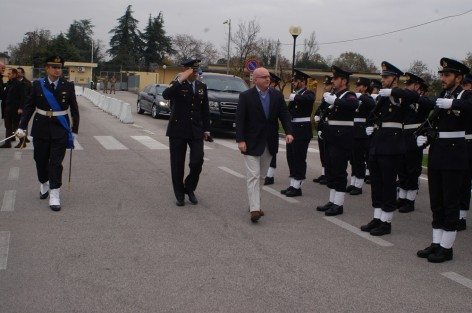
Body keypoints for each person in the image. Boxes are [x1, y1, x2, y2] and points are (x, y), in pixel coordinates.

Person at [416, 58, 471, 262]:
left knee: (450, 201)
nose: (443, 78)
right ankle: (436, 242)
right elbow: (436, 124)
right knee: (436, 200)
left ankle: (447, 248)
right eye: (442, 74)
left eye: (447, 75)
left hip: (455, 153)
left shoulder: (466, 95)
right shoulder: (443, 95)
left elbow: (469, 106)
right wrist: (425, 136)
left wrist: (454, 103)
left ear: (459, 77)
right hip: (438, 151)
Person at [15, 56, 80, 211]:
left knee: (56, 163)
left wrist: (75, 130)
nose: (58, 70)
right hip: (41, 128)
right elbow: (29, 107)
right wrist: (21, 127)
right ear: (47, 68)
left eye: (59, 67)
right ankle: (44, 182)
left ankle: (55, 193)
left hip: (60, 129)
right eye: (54, 67)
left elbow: (74, 110)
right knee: (40, 160)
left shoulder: (68, 85)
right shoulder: (37, 85)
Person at [236, 67, 293, 223]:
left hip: (269, 142)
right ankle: (255, 209)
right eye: (263, 77)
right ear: (255, 80)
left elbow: (284, 115)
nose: (268, 79)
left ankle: (255, 203)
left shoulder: (277, 95)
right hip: (251, 142)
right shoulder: (246, 96)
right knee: (253, 175)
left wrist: (289, 132)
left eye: (268, 77)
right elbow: (240, 119)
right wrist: (240, 140)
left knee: (261, 176)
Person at [360, 61, 405, 236]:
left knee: (388, 184)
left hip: (391, 147)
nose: (383, 80)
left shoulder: (398, 96)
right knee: (377, 184)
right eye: (383, 77)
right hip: (378, 145)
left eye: (386, 77)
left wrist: (393, 91)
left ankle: (386, 222)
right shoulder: (382, 97)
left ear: (395, 79)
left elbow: (409, 97)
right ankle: (377, 217)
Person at [162, 59, 211, 207]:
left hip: (196, 130)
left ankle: (189, 188)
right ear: (186, 71)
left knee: (197, 161)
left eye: (197, 71)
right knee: (177, 164)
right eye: (192, 71)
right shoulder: (178, 84)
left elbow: (205, 110)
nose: (195, 73)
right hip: (177, 130)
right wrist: (179, 79)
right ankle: (179, 194)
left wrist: (207, 129)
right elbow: (166, 95)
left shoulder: (202, 87)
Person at [315, 66, 357, 216]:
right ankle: (332, 201)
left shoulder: (349, 95)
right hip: (331, 137)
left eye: (336, 78)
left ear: (344, 80)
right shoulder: (335, 94)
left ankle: (339, 204)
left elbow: (353, 105)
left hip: (341, 139)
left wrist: (336, 100)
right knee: (331, 170)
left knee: (339, 171)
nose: (333, 81)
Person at [393, 73, 434, 213]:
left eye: (409, 84)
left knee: (412, 169)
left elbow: (430, 105)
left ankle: (410, 201)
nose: (406, 87)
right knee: (402, 168)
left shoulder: (422, 100)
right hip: (403, 135)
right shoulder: (405, 100)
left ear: (417, 86)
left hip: (414, 137)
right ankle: (402, 198)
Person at [281, 69, 315, 197]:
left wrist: (297, 97)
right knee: (291, 157)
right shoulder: (294, 95)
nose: (293, 83)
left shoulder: (308, 93)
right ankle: (292, 184)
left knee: (299, 158)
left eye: (296, 81)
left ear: (302, 82)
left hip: (302, 130)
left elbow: (310, 99)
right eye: (293, 81)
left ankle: (297, 186)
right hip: (293, 129)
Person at [347, 77, 375, 196]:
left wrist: (359, 96)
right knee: (353, 159)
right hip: (354, 131)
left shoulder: (367, 98)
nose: (357, 87)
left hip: (361, 132)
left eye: (359, 86)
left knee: (359, 159)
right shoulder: (357, 98)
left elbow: (371, 104)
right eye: (357, 85)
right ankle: (353, 182)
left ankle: (358, 185)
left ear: (365, 87)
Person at [313, 75, 333, 184]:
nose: (325, 87)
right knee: (323, 152)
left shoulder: (333, 97)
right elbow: (321, 108)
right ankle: (324, 173)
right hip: (322, 126)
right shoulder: (326, 96)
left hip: (329, 127)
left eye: (327, 85)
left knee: (328, 153)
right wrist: (316, 115)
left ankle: (329, 174)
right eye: (325, 85)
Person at [264, 71, 282, 185]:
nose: (268, 82)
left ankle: (270, 175)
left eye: (270, 81)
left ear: (274, 83)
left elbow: (282, 113)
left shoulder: (276, 95)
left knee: (272, 151)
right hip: (261, 128)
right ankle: (263, 173)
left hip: (271, 128)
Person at [0, 68, 26, 148]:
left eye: (10, 74)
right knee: (8, 126)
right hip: (7, 108)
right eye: (8, 74)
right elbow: (4, 95)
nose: (8, 75)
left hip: (15, 109)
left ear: (14, 75)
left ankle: (22, 141)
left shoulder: (19, 84)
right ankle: (8, 143)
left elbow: (23, 97)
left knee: (16, 127)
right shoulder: (9, 83)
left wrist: (21, 108)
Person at [16, 67, 32, 148]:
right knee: (22, 124)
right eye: (17, 72)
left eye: (19, 72)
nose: (17, 74)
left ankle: (22, 141)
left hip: (24, 107)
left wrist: (21, 107)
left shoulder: (27, 83)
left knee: (21, 124)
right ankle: (25, 138)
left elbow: (26, 96)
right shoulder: (15, 82)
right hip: (15, 106)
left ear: (23, 73)